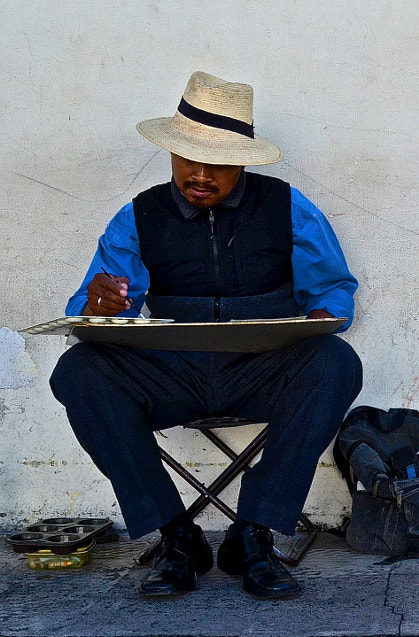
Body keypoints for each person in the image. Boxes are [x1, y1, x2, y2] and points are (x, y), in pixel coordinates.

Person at [48, 71, 362, 599]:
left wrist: (320, 317)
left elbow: (333, 291)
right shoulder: (138, 217)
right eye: (186, 157)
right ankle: (177, 537)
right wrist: (97, 306)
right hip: (173, 375)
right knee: (78, 371)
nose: (199, 173)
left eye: (217, 162)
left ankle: (253, 534)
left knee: (336, 362)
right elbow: (92, 314)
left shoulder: (288, 207)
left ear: (245, 159)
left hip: (260, 373)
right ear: (170, 152)